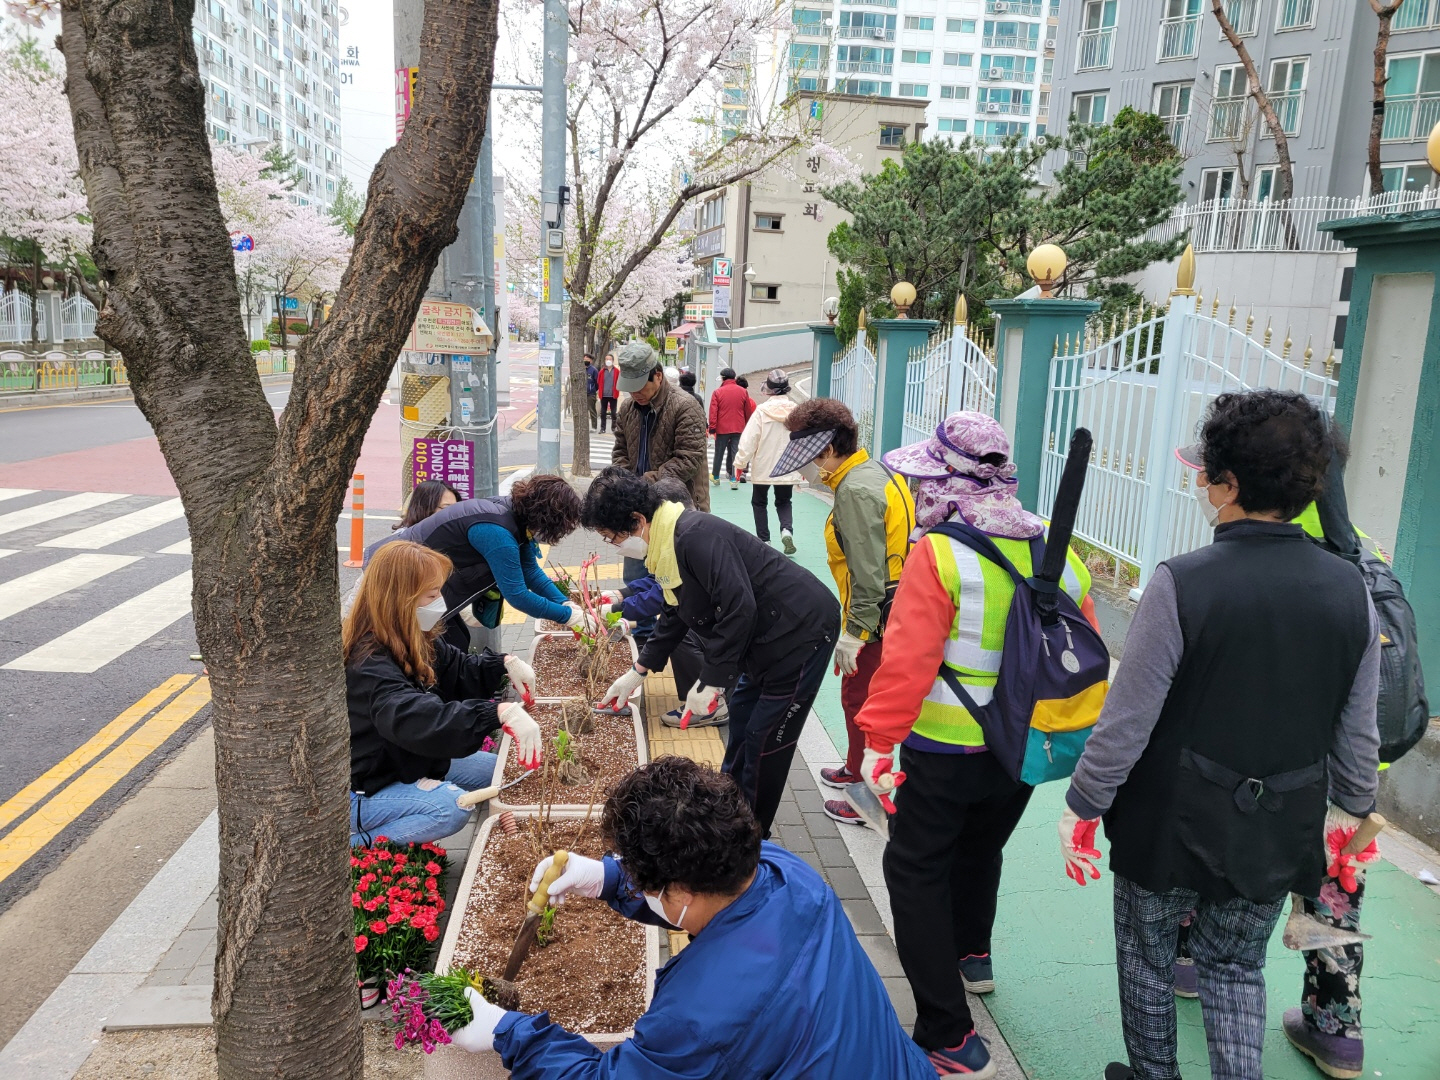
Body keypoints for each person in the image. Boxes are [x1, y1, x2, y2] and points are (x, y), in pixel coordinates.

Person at [1058, 390, 1380, 1080]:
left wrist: (1083, 804)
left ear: (1229, 485)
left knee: (1148, 961)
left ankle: (1154, 1074)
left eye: (1209, 473)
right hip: (1278, 821)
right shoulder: (1348, 588)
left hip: (1166, 822)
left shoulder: (1182, 583)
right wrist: (1350, 812)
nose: (1201, 482)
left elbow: (1128, 721)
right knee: (1236, 966)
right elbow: (1358, 729)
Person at [850, 410, 1096, 1079]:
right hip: (1024, 751)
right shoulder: (1060, 552)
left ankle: (948, 1032)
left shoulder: (940, 553)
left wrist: (877, 743)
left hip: (943, 746)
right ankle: (971, 954)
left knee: (915, 869)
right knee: (982, 848)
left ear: (946, 482)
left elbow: (907, 663)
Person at [446, 756, 935, 1078]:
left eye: (643, 880)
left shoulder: (700, 1017)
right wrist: (608, 878)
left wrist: (506, 1031)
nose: (640, 886)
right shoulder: (787, 871)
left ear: (676, 889)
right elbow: (691, 888)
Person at [1172, 436, 1393, 1079]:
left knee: (1216, 851)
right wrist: (1356, 799)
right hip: (1358, 754)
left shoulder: (1245, 564)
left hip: (1280, 758)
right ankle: (1337, 1027)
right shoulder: (1362, 557)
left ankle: (1191, 959)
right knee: (1337, 885)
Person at [583, 468, 838, 834]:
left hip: (801, 631)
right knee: (743, 724)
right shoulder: (667, 546)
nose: (615, 546)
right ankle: (731, 814)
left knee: (765, 738)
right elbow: (675, 611)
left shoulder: (695, 535)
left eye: (612, 538)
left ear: (637, 520)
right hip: (764, 635)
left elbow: (739, 607)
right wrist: (637, 671)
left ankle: (753, 836)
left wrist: (711, 681)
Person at [344, 540, 543, 847]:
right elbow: (417, 717)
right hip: (368, 788)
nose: (441, 602)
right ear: (401, 599)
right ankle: (351, 848)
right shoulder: (368, 662)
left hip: (407, 760)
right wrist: (497, 712)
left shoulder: (411, 635)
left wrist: (504, 663)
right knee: (451, 808)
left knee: (505, 770)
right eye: (432, 594)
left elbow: (458, 667)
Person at [774, 397, 915, 826]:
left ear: (828, 449)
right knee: (865, 698)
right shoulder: (874, 471)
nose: (803, 470)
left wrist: (855, 632)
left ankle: (867, 796)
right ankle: (857, 769)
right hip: (895, 609)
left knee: (863, 701)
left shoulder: (854, 490)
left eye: (807, 459)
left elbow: (869, 572)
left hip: (876, 618)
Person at [364, 475, 594, 654]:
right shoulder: (497, 532)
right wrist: (566, 616)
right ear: (547, 520)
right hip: (392, 577)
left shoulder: (514, 513)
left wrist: (564, 602)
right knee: (412, 650)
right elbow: (517, 594)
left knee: (456, 642)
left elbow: (531, 571)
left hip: (423, 584)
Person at [734, 368, 802, 553]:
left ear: (769, 389)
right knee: (784, 501)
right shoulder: (797, 411)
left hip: (764, 465)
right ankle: (786, 530)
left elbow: (749, 439)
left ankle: (765, 541)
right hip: (787, 465)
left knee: (759, 502)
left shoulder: (762, 412)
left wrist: (740, 463)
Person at [708, 366, 754, 489]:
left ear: (723, 378)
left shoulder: (717, 392)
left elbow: (713, 412)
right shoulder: (743, 391)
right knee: (736, 453)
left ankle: (716, 476)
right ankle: (734, 479)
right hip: (739, 427)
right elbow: (747, 411)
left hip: (722, 428)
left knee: (719, 453)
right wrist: (747, 425)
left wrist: (712, 428)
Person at [597, 352, 620, 433]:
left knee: (614, 413)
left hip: (613, 395)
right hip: (603, 395)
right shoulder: (602, 371)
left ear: (613, 360)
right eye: (607, 359)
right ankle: (603, 428)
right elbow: (598, 381)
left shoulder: (616, 371)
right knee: (603, 413)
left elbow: (619, 381)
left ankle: (614, 428)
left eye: (610, 359)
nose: (608, 360)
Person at [584, 353, 600, 430]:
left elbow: (597, 383)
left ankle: (594, 427)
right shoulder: (581, 369)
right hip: (582, 393)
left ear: (591, 360)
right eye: (584, 359)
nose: (585, 360)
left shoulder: (594, 370)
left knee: (592, 410)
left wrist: (593, 389)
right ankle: (584, 426)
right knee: (583, 411)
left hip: (591, 394)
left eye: (587, 359)